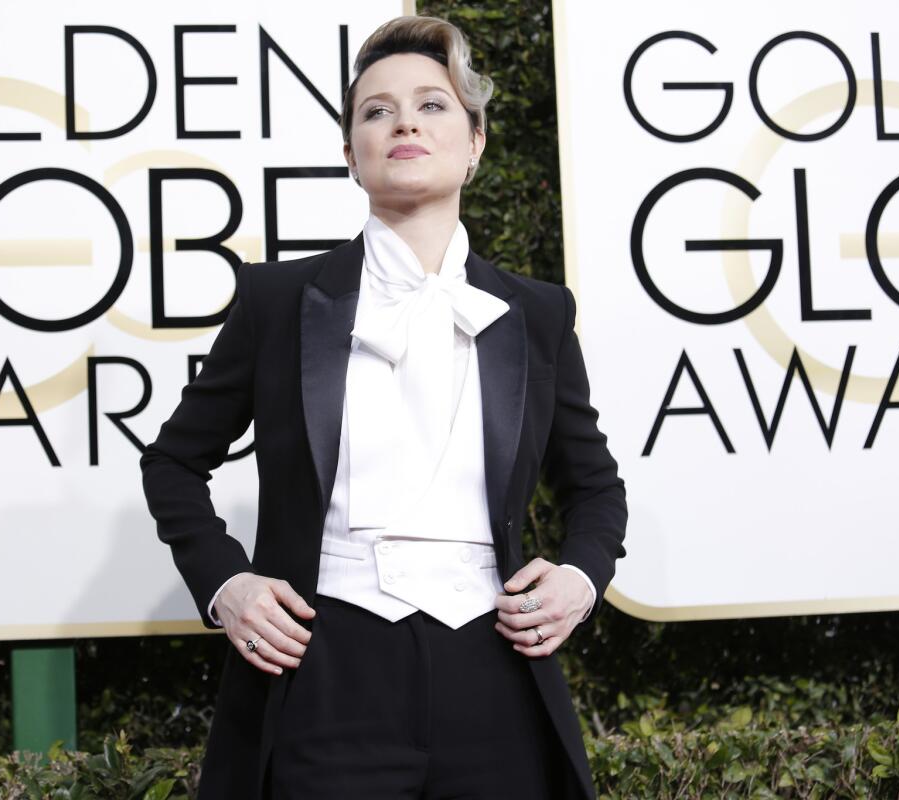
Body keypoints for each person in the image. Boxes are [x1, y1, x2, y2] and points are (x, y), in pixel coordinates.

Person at [139, 14, 627, 800]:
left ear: (475, 143)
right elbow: (172, 462)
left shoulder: (537, 314)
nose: (404, 120)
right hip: (323, 671)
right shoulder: (280, 300)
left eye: (433, 105)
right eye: (377, 110)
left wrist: (581, 577)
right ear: (350, 153)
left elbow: (596, 488)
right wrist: (227, 585)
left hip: (495, 670)